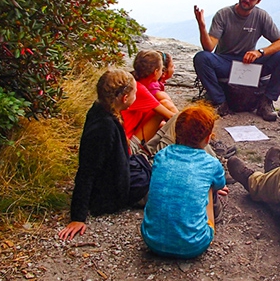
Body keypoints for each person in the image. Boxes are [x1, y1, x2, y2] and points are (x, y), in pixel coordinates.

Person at [58, 69, 150, 241]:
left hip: (117, 175)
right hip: (112, 193)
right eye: (135, 93)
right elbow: (87, 171)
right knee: (168, 190)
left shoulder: (100, 110)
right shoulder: (103, 127)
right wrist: (77, 217)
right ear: (124, 98)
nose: (136, 97)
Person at [193, 0, 280, 121]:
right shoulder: (223, 14)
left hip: (249, 62)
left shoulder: (261, 16)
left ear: (258, 1)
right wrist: (202, 26)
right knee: (201, 58)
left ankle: (266, 102)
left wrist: (260, 52)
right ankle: (220, 102)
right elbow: (209, 47)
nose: (247, 0)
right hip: (226, 62)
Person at [140, 103, 229, 258]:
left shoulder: (162, 154)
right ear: (208, 138)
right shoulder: (211, 163)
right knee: (209, 186)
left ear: (175, 132)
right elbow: (220, 185)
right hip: (193, 246)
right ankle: (211, 222)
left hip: (151, 241)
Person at [121, 50, 176, 146]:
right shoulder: (139, 89)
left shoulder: (133, 82)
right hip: (128, 146)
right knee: (165, 105)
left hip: (126, 138)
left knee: (163, 109)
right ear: (156, 72)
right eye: (161, 68)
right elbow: (171, 116)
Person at [146, 50, 179, 116]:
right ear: (163, 72)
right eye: (172, 66)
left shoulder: (155, 83)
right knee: (166, 102)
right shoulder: (152, 86)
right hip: (142, 122)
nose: (174, 68)